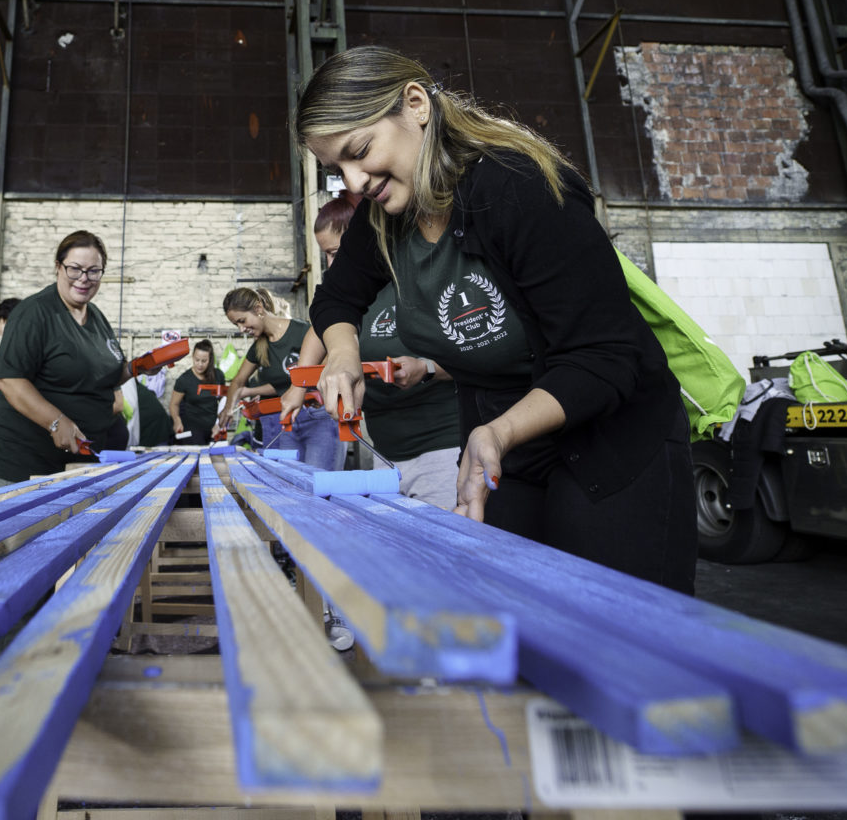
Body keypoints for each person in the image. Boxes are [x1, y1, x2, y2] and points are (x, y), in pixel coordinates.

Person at [299, 45, 695, 593]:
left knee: (618, 630)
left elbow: (604, 356)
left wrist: (499, 431)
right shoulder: (383, 218)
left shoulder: (517, 187)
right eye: (335, 168)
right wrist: (342, 358)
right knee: (519, 618)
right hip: (505, 446)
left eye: (360, 151)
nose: (355, 181)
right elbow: (336, 300)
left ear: (415, 104)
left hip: (610, 442)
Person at [281, 196, 463, 508]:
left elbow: (472, 357)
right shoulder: (350, 298)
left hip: (443, 451)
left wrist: (426, 368)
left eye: (336, 252)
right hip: (386, 453)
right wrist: (297, 386)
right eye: (325, 255)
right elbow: (318, 329)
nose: (331, 263)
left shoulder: (412, 280)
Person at [0, 230, 152, 484]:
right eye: (75, 269)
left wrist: (141, 366)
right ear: (58, 267)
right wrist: (55, 421)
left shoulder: (96, 317)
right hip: (21, 465)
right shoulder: (35, 313)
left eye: (93, 271)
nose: (84, 279)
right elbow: (9, 380)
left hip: (72, 465)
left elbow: (107, 374)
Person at [218, 287, 343, 470]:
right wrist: (228, 409)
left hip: (317, 418)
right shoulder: (259, 347)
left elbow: (329, 362)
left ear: (258, 309)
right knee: (289, 483)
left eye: (242, 321)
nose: (241, 329)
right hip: (288, 422)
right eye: (236, 325)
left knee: (319, 483)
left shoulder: (302, 331)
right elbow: (238, 380)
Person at [170, 339, 222, 444]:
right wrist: (177, 420)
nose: (200, 364)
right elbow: (173, 404)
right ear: (193, 357)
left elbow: (224, 401)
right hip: (192, 430)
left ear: (210, 360)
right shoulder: (184, 380)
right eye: (197, 360)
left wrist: (220, 424)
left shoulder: (218, 376)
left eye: (204, 361)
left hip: (213, 428)